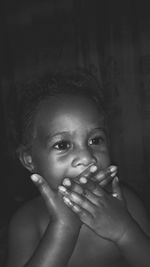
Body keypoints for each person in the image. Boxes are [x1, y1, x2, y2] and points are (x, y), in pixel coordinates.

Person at [5, 69, 150, 267]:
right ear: (29, 160)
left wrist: (124, 231)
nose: (86, 157)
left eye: (95, 140)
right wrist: (64, 228)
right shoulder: (27, 222)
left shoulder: (125, 205)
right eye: (63, 145)